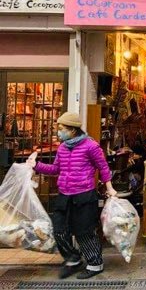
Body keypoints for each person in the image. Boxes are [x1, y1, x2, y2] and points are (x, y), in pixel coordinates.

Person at [26, 112, 117, 280]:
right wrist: (36, 165)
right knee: (59, 230)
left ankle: (95, 263)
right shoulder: (62, 147)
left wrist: (110, 188)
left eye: (61, 129)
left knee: (84, 232)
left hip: (84, 195)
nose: (58, 132)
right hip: (64, 195)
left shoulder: (91, 146)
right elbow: (56, 169)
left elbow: (103, 167)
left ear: (73, 130)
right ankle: (73, 258)